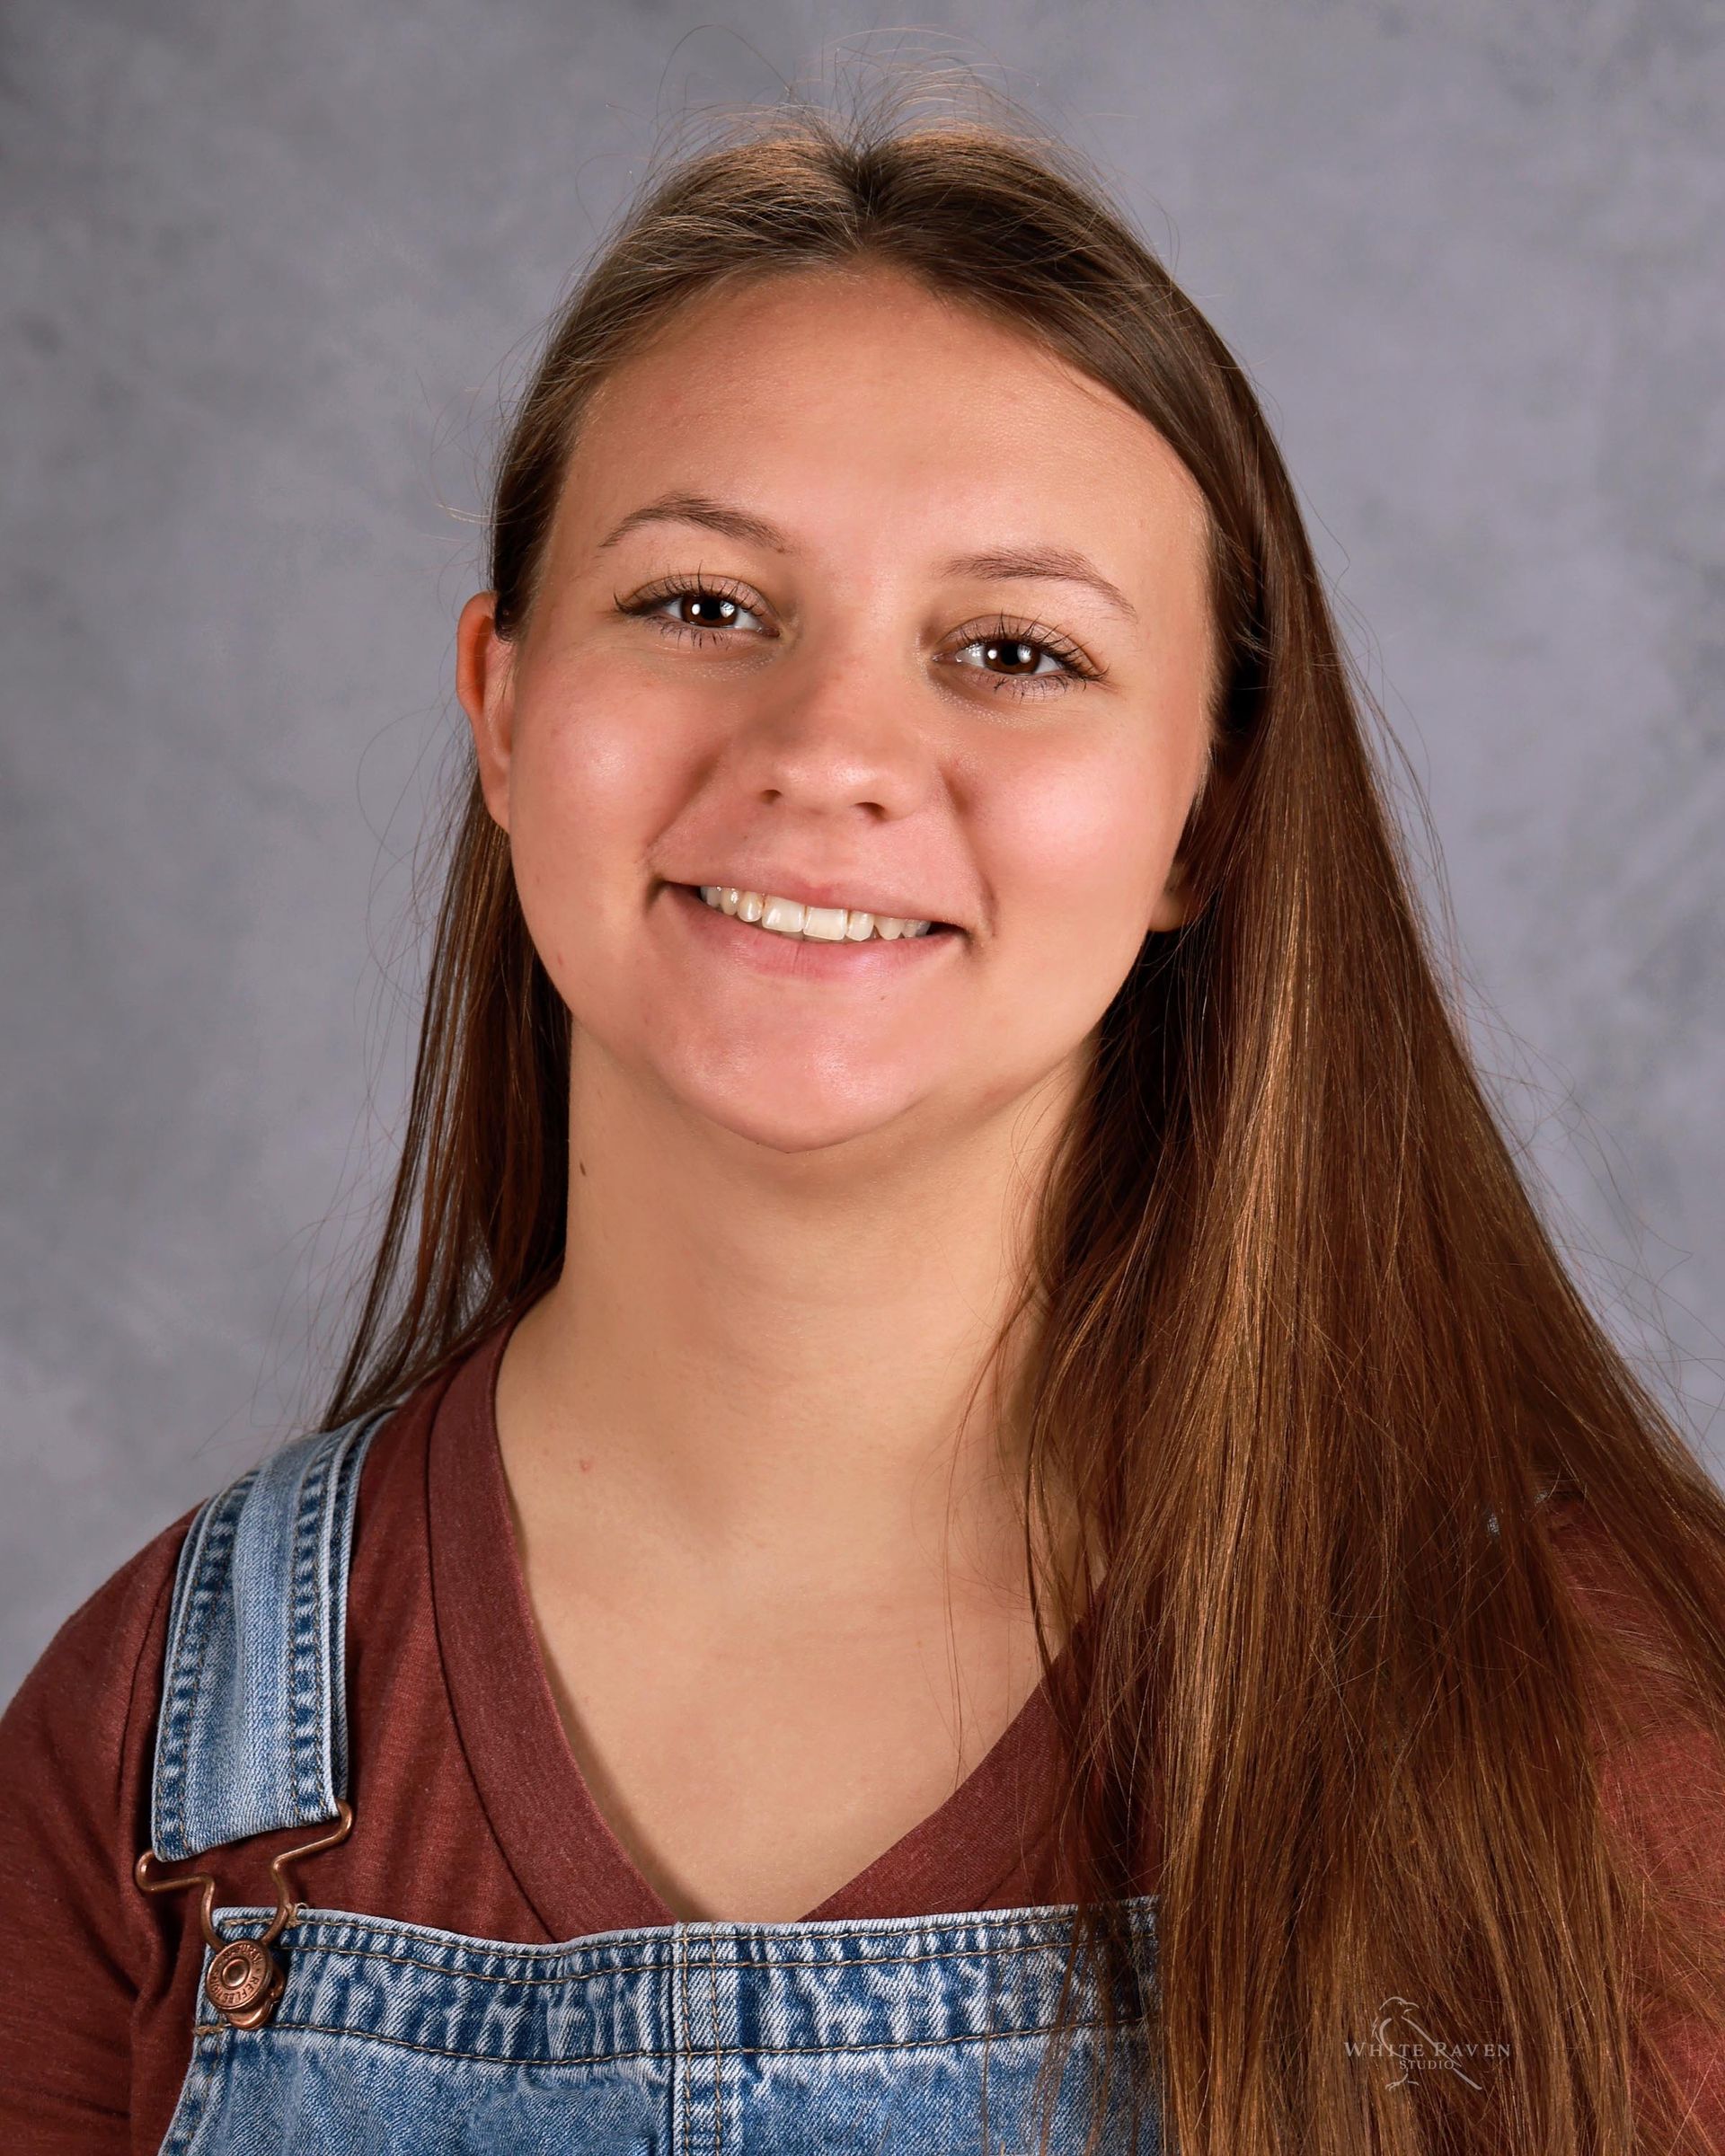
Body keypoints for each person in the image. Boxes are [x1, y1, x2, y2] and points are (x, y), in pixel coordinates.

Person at [3, 87, 1723, 2156]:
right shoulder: (152, 1756)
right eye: (704, 606)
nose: (829, 751)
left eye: (1015, 649)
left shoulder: (1600, 1727)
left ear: (1208, 815)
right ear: (507, 708)